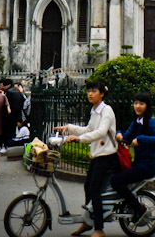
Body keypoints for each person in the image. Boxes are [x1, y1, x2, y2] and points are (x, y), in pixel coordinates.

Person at [55, 80, 118, 237]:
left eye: (94, 91)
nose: (90, 94)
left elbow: (102, 132)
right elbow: (89, 129)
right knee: (88, 187)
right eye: (89, 90)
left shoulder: (106, 110)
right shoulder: (95, 110)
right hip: (98, 155)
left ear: (102, 94)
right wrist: (69, 128)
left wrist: (79, 139)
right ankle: (87, 222)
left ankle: (98, 228)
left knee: (94, 190)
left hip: (107, 156)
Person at [111, 92, 155, 225]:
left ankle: (138, 209)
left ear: (147, 106)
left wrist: (140, 139)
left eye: (141, 103)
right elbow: (126, 136)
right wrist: (118, 134)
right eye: (135, 103)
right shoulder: (137, 122)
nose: (138, 106)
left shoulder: (151, 122)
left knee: (117, 181)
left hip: (147, 166)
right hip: (139, 163)